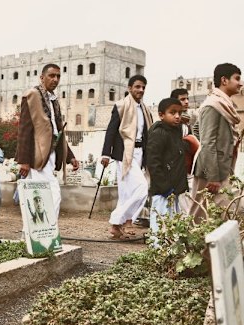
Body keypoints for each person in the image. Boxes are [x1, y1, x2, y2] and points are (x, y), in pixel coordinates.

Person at [17, 63, 79, 219]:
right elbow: (24, 130)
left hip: (51, 155)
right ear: (42, 77)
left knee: (45, 196)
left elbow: (58, 132)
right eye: (52, 76)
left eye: (58, 76)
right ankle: (43, 234)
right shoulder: (32, 95)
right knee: (49, 195)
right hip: (37, 155)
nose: (55, 79)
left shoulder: (53, 100)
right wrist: (24, 160)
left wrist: (70, 156)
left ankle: (38, 235)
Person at [100, 75, 153, 240]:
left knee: (127, 192)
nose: (141, 90)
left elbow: (146, 135)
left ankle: (116, 227)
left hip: (140, 153)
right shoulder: (121, 106)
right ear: (130, 88)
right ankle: (125, 220)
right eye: (137, 87)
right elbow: (111, 130)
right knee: (142, 188)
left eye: (143, 87)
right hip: (124, 153)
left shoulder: (145, 110)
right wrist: (106, 153)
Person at [189, 63, 243, 222]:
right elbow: (207, 141)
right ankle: (189, 246)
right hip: (212, 172)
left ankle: (203, 247)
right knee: (201, 216)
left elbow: (198, 128)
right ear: (224, 80)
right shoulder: (213, 105)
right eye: (237, 78)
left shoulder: (224, 104)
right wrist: (213, 176)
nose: (241, 83)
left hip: (221, 168)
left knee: (209, 216)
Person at [146, 98, 188, 238]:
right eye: (173, 112)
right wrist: (165, 188)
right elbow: (153, 163)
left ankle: (169, 254)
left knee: (172, 224)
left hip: (173, 190)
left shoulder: (175, 132)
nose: (177, 116)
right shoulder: (159, 133)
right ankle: (157, 253)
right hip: (163, 191)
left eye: (180, 113)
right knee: (160, 225)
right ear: (161, 115)